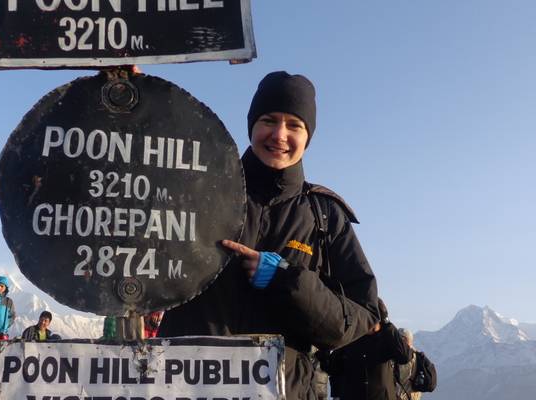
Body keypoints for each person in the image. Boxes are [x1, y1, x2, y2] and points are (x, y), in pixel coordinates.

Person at [158, 71, 380, 400]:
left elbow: (363, 317)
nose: (279, 135)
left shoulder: (324, 215)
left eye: (294, 125)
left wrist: (287, 280)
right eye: (269, 120)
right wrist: (130, 98)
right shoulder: (199, 191)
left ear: (308, 136)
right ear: (252, 125)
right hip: (185, 388)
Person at [326, 299, 412, 400]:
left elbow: (405, 356)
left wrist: (388, 324)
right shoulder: (351, 338)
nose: (369, 323)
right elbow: (332, 367)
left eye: (373, 317)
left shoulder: (386, 339)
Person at [395, 328, 421, 400]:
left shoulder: (406, 357)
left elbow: (401, 379)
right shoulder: (417, 355)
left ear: (403, 339)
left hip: (403, 396)